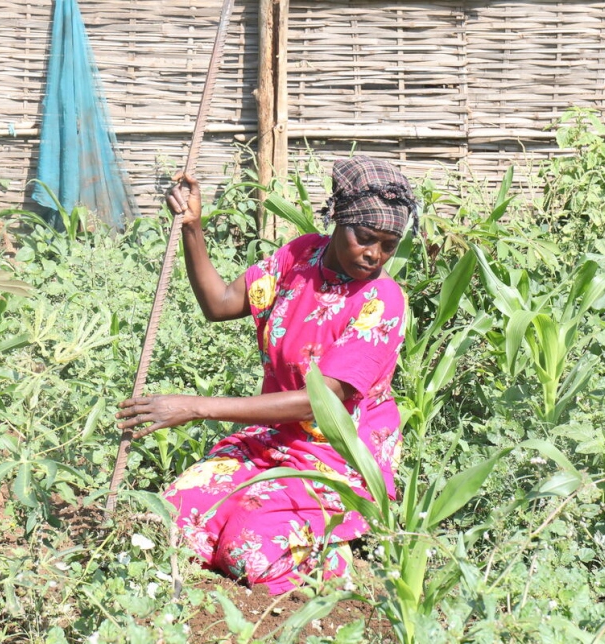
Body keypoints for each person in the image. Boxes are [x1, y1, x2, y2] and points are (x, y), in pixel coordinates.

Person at [115, 156, 417, 594]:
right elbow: (219, 303)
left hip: (336, 458)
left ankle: (338, 558)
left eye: (389, 245)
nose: (375, 255)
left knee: (248, 551)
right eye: (365, 238)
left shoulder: (381, 301)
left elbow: (323, 402)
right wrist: (191, 227)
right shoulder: (300, 256)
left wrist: (196, 407)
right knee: (170, 523)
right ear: (337, 222)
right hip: (273, 440)